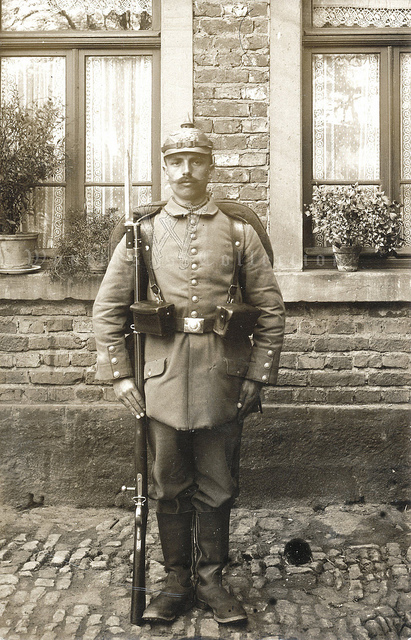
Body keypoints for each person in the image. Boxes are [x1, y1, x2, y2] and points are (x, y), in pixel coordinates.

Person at [92, 123, 285, 625]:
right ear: (166, 168)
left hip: (224, 378)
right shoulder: (144, 232)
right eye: (176, 161)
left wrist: (256, 377)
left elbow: (269, 310)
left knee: (219, 484)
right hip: (162, 381)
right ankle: (177, 581)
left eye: (196, 160)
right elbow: (107, 309)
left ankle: (212, 579)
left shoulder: (239, 230)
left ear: (210, 166)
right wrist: (120, 377)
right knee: (169, 485)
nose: (186, 170)